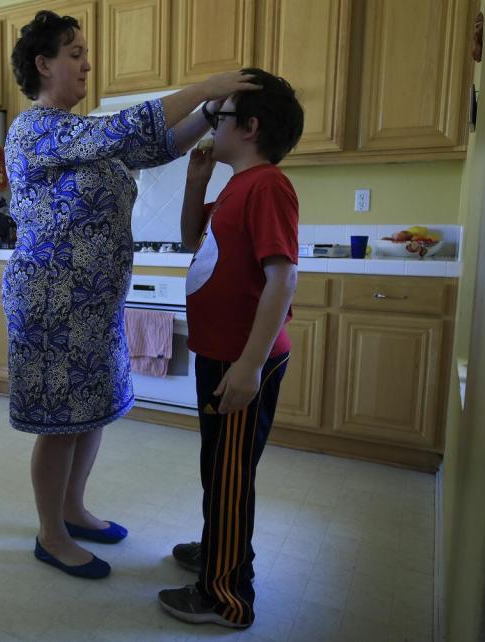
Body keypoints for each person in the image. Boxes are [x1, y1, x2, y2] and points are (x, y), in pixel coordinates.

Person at [4, 9, 259, 580]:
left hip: (92, 302)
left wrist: (207, 114)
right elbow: (126, 130)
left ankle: (73, 510)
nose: (86, 63)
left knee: (90, 412)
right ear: (44, 65)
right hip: (51, 302)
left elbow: (155, 146)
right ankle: (51, 533)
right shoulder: (37, 128)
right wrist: (208, 87)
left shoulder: (86, 136)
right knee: (60, 419)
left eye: (84, 52)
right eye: (74, 53)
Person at [157, 69, 304, 627]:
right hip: (221, 355)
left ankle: (226, 596)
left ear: (248, 127)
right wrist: (196, 183)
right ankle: (218, 547)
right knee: (218, 467)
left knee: (230, 474)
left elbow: (282, 279)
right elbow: (192, 240)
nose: (206, 126)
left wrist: (248, 366)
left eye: (215, 117)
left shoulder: (268, 185)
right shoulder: (236, 186)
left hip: (243, 361)